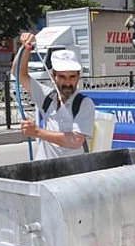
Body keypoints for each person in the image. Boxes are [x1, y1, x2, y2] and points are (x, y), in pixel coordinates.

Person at [12, 32, 95, 160]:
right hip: (45, 169)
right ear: (53, 76)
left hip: (72, 174)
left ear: (78, 76)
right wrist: (25, 48)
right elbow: (19, 74)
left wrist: (37, 132)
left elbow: (75, 140)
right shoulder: (47, 97)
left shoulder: (84, 104)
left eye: (72, 76)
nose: (67, 82)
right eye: (62, 76)